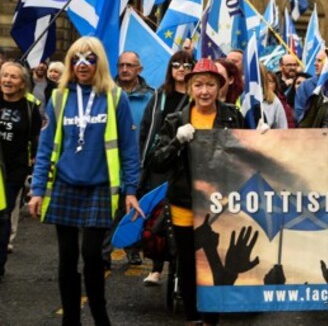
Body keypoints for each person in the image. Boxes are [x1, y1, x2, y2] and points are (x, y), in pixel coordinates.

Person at [28, 36, 143, 326]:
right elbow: (45, 149)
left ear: (99, 62)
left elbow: (130, 149)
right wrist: (37, 190)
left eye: (89, 58)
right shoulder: (58, 97)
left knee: (92, 255)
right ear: (69, 62)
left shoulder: (116, 97)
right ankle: (71, 319)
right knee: (66, 258)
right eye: (76, 58)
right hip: (64, 185)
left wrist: (131, 191)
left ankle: (100, 315)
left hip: (101, 187)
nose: (82, 64)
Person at [148, 57, 245, 325]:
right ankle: (192, 318)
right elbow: (157, 161)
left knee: (213, 262)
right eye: (199, 84)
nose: (204, 91)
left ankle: (211, 319)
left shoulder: (232, 116)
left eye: (210, 85)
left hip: (218, 205)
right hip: (183, 203)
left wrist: (259, 139)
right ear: (190, 87)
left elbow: (246, 160)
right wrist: (176, 142)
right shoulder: (175, 119)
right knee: (188, 264)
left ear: (220, 88)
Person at [138, 50, 194, 286]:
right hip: (161, 162)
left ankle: (181, 271)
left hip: (186, 166)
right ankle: (156, 268)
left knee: (182, 220)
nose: (181, 68)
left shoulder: (196, 97)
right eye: (176, 64)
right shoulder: (160, 95)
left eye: (187, 65)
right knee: (158, 219)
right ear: (170, 69)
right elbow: (146, 128)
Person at [0, 62, 42, 279]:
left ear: (22, 83)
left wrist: (33, 167)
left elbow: (35, 138)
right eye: (4, 76)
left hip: (13, 170)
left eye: (13, 77)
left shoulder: (30, 107)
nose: (7, 80)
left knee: (3, 215)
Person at [115, 51, 154, 131]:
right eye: (121, 65)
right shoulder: (105, 94)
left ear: (139, 70)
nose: (124, 69)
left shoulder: (152, 96)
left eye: (129, 65)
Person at [294, 51, 325, 123]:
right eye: (315, 60)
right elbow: (299, 114)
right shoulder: (304, 86)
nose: (315, 63)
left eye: (319, 61)